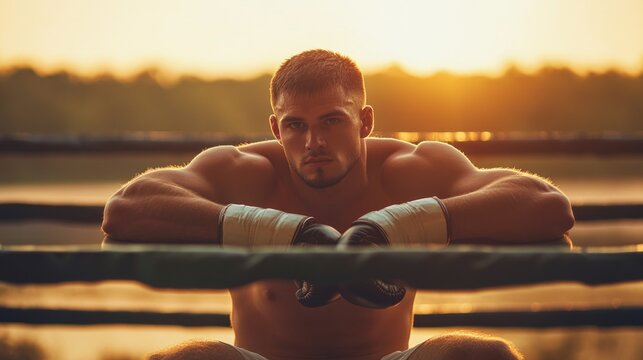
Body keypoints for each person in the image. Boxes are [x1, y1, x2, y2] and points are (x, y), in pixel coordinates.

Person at [101, 49, 574, 360]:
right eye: (295, 125)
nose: (314, 141)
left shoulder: (409, 171)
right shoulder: (244, 173)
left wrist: (394, 225)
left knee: (481, 356)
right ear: (275, 128)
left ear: (365, 120)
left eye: (331, 121)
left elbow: (547, 205)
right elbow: (126, 207)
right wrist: (287, 233)